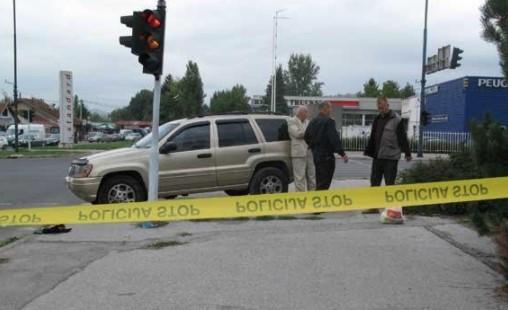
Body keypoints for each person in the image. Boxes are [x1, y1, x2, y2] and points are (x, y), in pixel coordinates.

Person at [364, 96, 412, 222]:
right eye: (379, 107)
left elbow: (402, 137)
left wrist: (407, 152)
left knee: (390, 184)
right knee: (374, 182)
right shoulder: (377, 119)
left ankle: (391, 209)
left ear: (387, 105)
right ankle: (373, 207)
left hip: (391, 157)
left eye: (383, 106)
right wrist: (369, 151)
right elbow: (373, 137)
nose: (381, 109)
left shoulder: (396, 119)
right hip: (378, 156)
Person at [304, 102, 349, 190]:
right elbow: (334, 139)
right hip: (327, 157)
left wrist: (313, 147)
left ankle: (318, 199)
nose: (331, 110)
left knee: (319, 181)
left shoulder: (313, 121)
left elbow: (306, 136)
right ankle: (321, 201)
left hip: (316, 156)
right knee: (324, 184)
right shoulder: (329, 121)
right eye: (330, 108)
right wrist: (342, 154)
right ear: (325, 108)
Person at [287, 106, 316, 192]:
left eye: (307, 112)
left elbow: (312, 134)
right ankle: (301, 197)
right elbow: (297, 134)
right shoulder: (292, 121)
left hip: (310, 152)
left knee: (312, 175)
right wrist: (309, 133)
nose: (307, 114)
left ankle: (312, 196)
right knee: (300, 177)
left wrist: (308, 133)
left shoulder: (308, 122)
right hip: (298, 153)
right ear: (300, 113)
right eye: (305, 112)